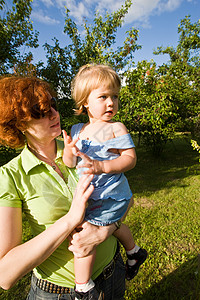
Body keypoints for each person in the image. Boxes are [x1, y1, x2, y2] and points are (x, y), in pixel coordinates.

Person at [0, 76, 127, 300]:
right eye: (40, 112)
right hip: (58, 293)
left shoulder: (83, 147)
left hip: (113, 271)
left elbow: (125, 195)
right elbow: (5, 275)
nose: (54, 114)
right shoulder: (10, 176)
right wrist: (70, 219)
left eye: (53, 105)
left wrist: (104, 230)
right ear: (19, 124)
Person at [63, 64, 148, 300]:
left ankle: (83, 288)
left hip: (111, 194)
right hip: (92, 195)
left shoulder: (115, 128)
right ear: (85, 102)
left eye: (115, 97)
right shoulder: (78, 130)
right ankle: (134, 252)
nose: (111, 103)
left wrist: (103, 166)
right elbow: (69, 163)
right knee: (111, 227)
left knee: (84, 238)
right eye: (103, 97)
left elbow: (130, 159)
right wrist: (70, 150)